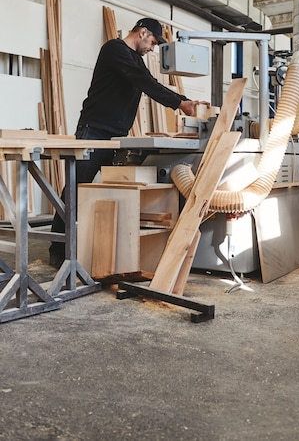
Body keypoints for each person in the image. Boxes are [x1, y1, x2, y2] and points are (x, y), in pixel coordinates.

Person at [49, 17, 206, 268]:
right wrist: (180, 103)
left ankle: (104, 246)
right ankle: (57, 249)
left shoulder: (137, 61)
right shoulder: (114, 49)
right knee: (76, 189)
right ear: (142, 33)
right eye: (152, 42)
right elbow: (143, 83)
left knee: (113, 191)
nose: (152, 48)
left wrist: (183, 99)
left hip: (116, 136)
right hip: (94, 131)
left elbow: (151, 84)